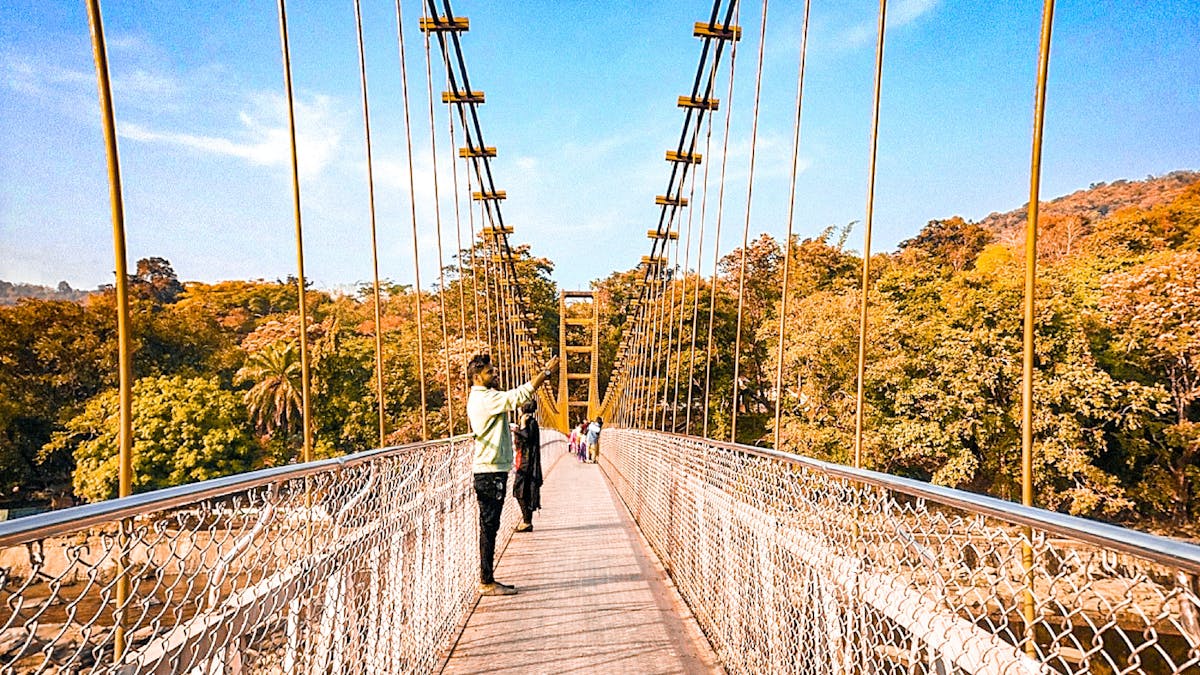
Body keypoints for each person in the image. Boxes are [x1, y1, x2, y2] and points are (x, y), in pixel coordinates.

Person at [466, 352, 559, 596]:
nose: (495, 374)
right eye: (490, 372)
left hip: (492, 469)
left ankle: (488, 578)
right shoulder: (484, 399)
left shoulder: (486, 397)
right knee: (489, 526)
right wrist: (545, 374)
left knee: (491, 525)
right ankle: (486, 581)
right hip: (489, 471)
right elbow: (518, 396)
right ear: (477, 377)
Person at [512, 398, 542, 532]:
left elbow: (526, 438)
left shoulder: (529, 422)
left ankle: (527, 521)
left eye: (519, 407)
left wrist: (520, 426)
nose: (517, 409)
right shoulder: (531, 422)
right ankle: (527, 520)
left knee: (520, 490)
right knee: (522, 490)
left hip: (526, 463)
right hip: (525, 461)